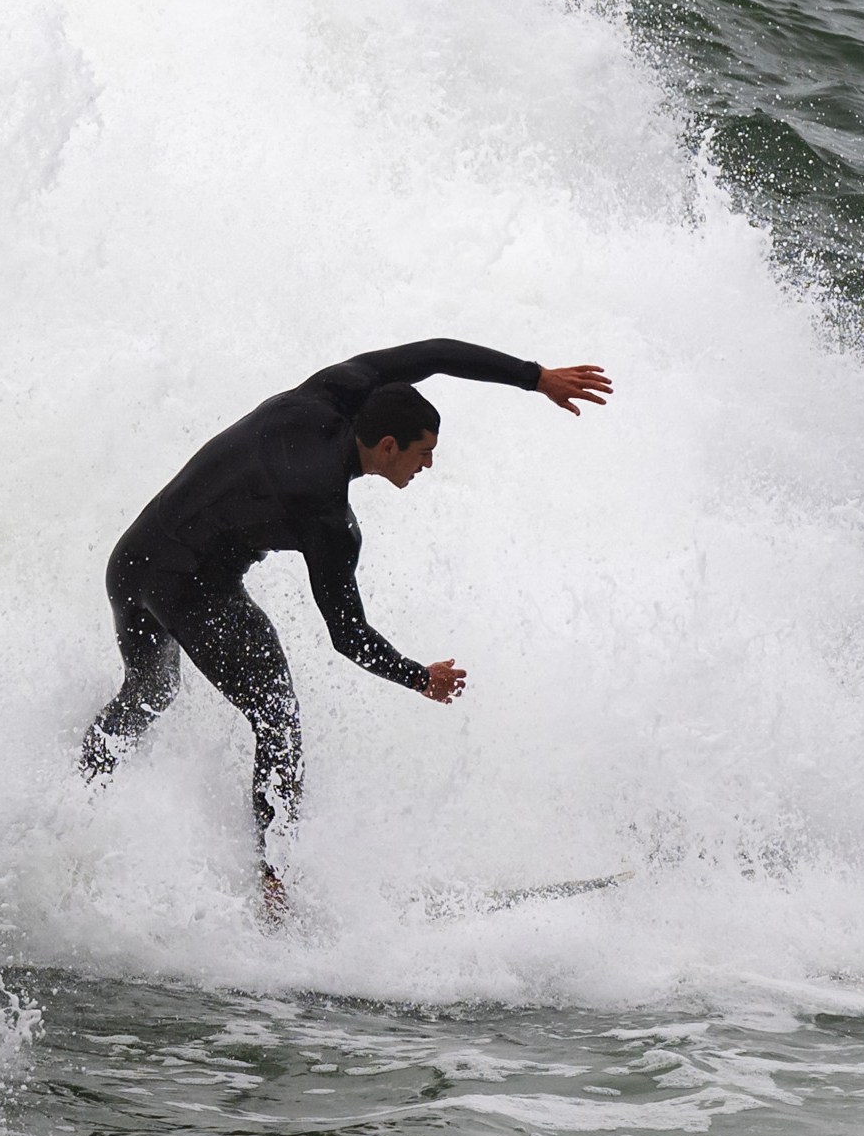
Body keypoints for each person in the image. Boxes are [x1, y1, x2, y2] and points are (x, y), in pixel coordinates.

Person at [81, 340, 612, 918]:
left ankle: (75, 802)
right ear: (388, 446)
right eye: (424, 453)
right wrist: (419, 677)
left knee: (151, 691)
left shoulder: (337, 389)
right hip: (188, 585)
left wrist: (536, 378)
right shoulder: (326, 515)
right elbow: (347, 633)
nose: (429, 465)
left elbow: (435, 352)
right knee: (277, 720)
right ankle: (275, 890)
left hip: (133, 561)